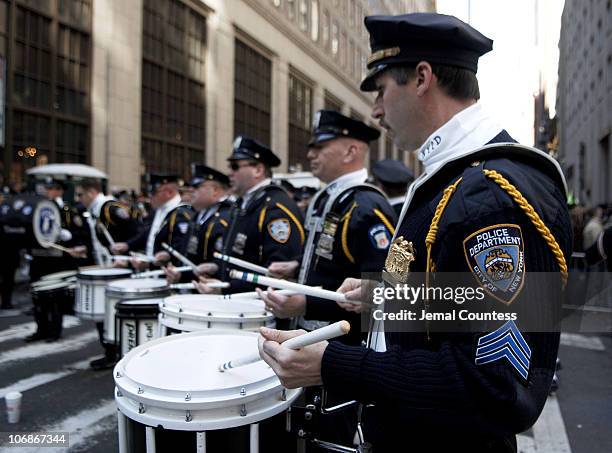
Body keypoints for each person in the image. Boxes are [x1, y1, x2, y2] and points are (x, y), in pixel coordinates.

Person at [257, 13, 572, 452]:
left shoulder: (489, 191)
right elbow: (462, 310)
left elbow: (497, 384)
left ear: (422, 78)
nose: (377, 111)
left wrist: (334, 366)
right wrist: (390, 298)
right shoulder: (455, 178)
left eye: (382, 90)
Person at [259, 110, 397, 451]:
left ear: (351, 152)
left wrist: (305, 301)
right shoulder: (328, 198)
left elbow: (382, 294)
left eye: (320, 146)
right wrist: (295, 270)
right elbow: (329, 264)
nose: (310, 154)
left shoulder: (367, 206)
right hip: (313, 343)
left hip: (343, 352)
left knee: (331, 437)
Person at [195, 136, 304, 296]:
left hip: (259, 310)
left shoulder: (276, 208)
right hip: (239, 304)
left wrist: (227, 288)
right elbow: (243, 255)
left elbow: (278, 274)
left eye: (235, 166)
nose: (229, 173)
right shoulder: (242, 204)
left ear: (258, 170)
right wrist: (218, 266)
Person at [73, 178, 141, 370]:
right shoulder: (95, 211)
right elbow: (97, 240)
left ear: (91, 192)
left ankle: (116, 352)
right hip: (106, 267)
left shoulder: (110, 209)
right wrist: (84, 248)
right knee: (103, 310)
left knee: (114, 311)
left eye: (80, 194)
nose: (79, 199)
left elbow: (136, 232)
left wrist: (125, 252)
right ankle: (110, 351)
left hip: (120, 269)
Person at [25, 178, 90, 342]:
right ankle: (41, 329)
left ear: (60, 191)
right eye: (47, 188)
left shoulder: (68, 210)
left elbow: (81, 234)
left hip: (57, 261)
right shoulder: (37, 208)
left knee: (56, 297)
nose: (49, 192)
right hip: (39, 258)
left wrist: (69, 236)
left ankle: (54, 330)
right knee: (37, 296)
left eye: (53, 188)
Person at [165, 165, 233, 283]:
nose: (191, 190)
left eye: (197, 186)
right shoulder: (199, 214)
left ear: (215, 190)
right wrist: (180, 274)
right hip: (193, 286)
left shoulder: (228, 216)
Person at [112, 174, 193, 269]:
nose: (150, 197)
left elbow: (179, 250)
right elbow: (149, 233)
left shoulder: (181, 214)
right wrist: (128, 245)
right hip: (152, 269)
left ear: (169, 192)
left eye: (154, 192)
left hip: (168, 273)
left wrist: (151, 264)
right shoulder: (159, 210)